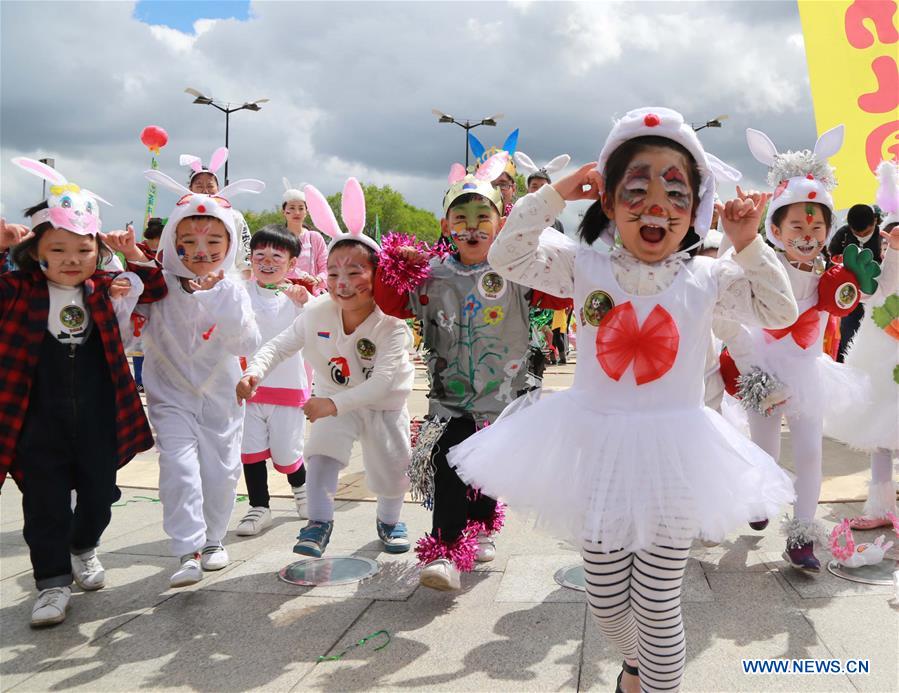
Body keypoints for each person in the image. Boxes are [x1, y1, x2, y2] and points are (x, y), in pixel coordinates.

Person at [448, 108, 798, 693]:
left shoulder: (708, 277)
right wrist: (555, 196)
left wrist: (749, 243)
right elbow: (507, 258)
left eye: (676, 192)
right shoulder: (584, 265)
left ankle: (656, 683)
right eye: (636, 188)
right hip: (596, 447)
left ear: (695, 212)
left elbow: (780, 311)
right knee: (608, 600)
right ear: (607, 202)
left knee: (659, 602)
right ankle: (632, 670)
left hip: (677, 454)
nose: (656, 204)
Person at [374, 153, 570, 591]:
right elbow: (390, 303)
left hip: (505, 397)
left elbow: (558, 299)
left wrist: (541, 248)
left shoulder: (517, 271)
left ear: (500, 225)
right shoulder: (431, 274)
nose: (472, 226)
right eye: (460, 218)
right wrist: (396, 263)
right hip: (448, 398)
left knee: (484, 470)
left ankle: (482, 520)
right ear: (446, 227)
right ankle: (444, 552)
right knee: (448, 463)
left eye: (484, 216)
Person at [1, 158, 166, 627]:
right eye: (59, 250)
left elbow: (154, 288)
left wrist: (132, 254)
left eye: (82, 248)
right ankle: (51, 583)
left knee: (101, 493)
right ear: (37, 253)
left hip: (98, 412)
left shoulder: (101, 289)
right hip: (37, 417)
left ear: (96, 250)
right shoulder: (16, 290)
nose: (72, 259)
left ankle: (83, 547)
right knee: (44, 503)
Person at [717, 124, 878, 572]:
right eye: (796, 224)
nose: (807, 233)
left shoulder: (834, 272)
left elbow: (850, 304)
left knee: (811, 456)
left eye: (817, 224)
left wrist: (860, 287)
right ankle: (758, 499)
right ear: (775, 228)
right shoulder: (756, 264)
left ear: (828, 230)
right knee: (763, 451)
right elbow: (729, 311)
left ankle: (802, 537)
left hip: (808, 373)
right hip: (762, 370)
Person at [238, 179, 415, 558]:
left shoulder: (391, 323)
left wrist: (330, 405)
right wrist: (254, 372)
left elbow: (383, 382)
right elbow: (280, 345)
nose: (342, 283)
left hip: (383, 407)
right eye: (333, 273)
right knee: (320, 455)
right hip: (334, 398)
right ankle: (318, 522)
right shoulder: (317, 311)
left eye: (355, 273)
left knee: (392, 468)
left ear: (378, 274)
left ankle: (389, 520)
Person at [112, 166, 264, 588]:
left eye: (214, 241)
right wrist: (122, 298)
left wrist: (220, 295)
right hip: (169, 395)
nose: (201, 250)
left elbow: (244, 342)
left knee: (221, 472)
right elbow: (125, 336)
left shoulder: (233, 286)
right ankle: (188, 547)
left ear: (230, 243)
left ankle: (214, 539)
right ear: (174, 241)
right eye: (189, 241)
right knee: (178, 468)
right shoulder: (156, 284)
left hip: (222, 396)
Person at [828, 161, 899, 530]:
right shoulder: (890, 253)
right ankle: (881, 508)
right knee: (881, 433)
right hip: (883, 349)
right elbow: (877, 295)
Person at [236, 226, 314, 536]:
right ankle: (259, 507)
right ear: (250, 259)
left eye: (276, 257)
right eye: (260, 256)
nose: (267, 263)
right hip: (248, 387)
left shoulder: (298, 297)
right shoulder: (241, 294)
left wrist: (305, 301)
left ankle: (303, 491)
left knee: (287, 451)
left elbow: (319, 326)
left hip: (287, 389)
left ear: (292, 263)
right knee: (250, 450)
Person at [181, 147, 254, 276]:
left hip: (226, 282)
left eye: (210, 186)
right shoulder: (181, 215)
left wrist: (244, 282)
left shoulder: (234, 216)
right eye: (199, 186)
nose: (205, 190)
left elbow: (245, 252)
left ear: (218, 188)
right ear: (190, 188)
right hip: (189, 282)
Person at [829, 204, 882, 361]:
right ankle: (841, 361)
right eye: (856, 233)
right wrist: (840, 260)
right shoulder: (844, 233)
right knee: (846, 329)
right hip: (848, 292)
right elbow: (832, 254)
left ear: (875, 221)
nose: (861, 236)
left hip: (874, 293)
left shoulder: (882, 235)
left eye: (866, 233)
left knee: (871, 332)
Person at [282, 179, 328, 293]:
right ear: (283, 212)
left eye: (301, 208)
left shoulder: (315, 238)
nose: (297, 212)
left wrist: (317, 279)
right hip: (283, 291)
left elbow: (326, 266)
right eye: (292, 208)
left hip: (311, 294)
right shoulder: (277, 238)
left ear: (306, 212)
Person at [515, 151, 571, 233]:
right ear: (528, 190)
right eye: (534, 186)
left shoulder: (557, 225)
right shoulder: (518, 218)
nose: (539, 190)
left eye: (543, 187)